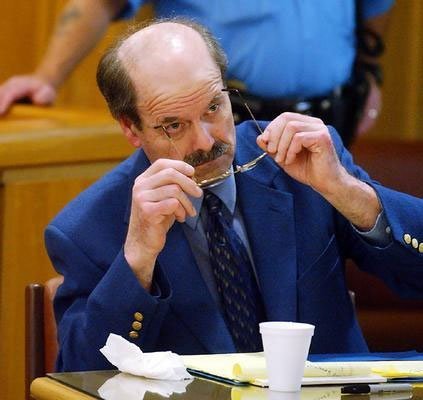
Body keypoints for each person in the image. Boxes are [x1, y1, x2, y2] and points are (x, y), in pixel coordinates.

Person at [45, 18, 423, 372]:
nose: (205, 141)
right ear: (131, 128)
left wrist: (344, 190)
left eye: (213, 107)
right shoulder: (87, 229)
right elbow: (80, 376)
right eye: (173, 125)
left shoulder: (298, 162)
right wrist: (137, 261)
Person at [0, 0, 394, 146]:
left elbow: (376, 7)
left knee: (320, 261)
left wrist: (369, 73)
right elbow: (98, 2)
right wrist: (47, 77)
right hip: (220, 124)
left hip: (330, 119)